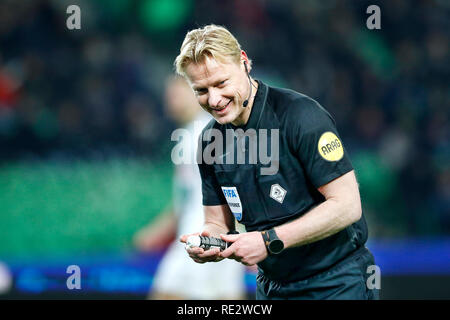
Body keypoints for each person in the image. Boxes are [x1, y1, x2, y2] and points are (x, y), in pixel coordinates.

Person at [176, 24, 379, 300]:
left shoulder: (301, 116)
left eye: (221, 83)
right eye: (201, 90)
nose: (214, 99)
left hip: (338, 283)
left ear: (245, 63)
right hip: (272, 288)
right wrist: (210, 243)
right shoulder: (209, 142)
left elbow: (347, 206)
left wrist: (268, 241)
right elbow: (217, 224)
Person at [134, 76, 246, 300]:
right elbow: (187, 199)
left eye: (176, 95)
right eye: (168, 96)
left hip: (204, 236)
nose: (170, 102)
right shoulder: (192, 134)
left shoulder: (205, 134)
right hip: (206, 235)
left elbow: (234, 186)